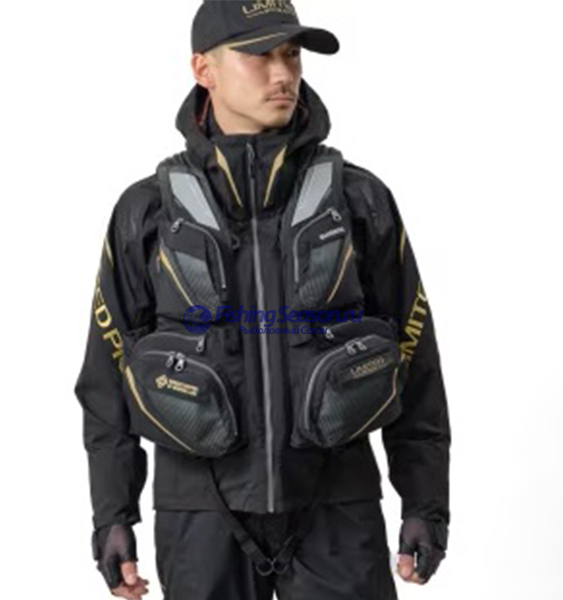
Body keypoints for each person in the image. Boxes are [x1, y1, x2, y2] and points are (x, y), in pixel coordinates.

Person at [74, 1, 451, 599]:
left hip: (337, 504)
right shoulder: (147, 212)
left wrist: (425, 502)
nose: (283, 74)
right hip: (200, 515)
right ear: (203, 69)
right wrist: (112, 514)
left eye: (292, 55)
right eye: (259, 55)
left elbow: (414, 352)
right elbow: (108, 371)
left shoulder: (359, 200)